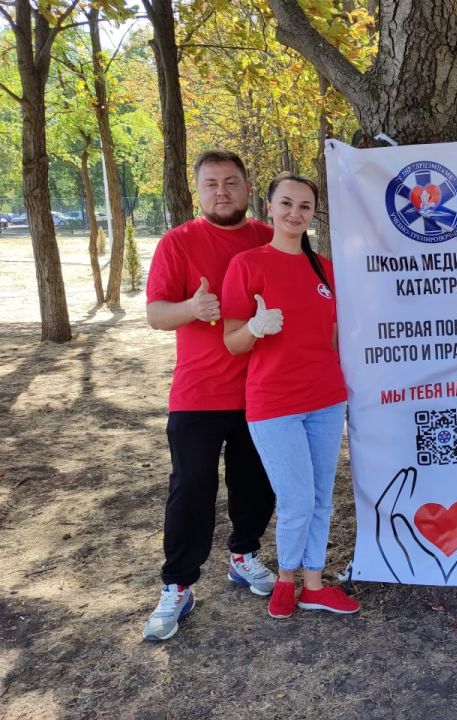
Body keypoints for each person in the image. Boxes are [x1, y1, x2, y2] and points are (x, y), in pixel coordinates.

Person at [143, 151, 277, 642]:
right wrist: (191, 308)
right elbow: (156, 314)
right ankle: (178, 584)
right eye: (212, 184)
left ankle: (244, 555)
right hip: (198, 393)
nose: (222, 191)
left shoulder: (270, 237)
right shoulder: (178, 242)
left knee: (256, 483)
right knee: (191, 487)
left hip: (262, 390)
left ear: (247, 186)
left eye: (231, 182)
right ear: (198, 190)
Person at [221, 173, 359, 619]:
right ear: (269, 207)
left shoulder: (325, 269)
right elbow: (232, 342)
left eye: (304, 206)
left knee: (321, 497)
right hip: (275, 403)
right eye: (286, 203)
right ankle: (285, 579)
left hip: (326, 398)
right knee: (296, 500)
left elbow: (333, 336)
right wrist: (255, 328)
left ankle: (314, 584)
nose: (295, 213)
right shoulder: (248, 264)